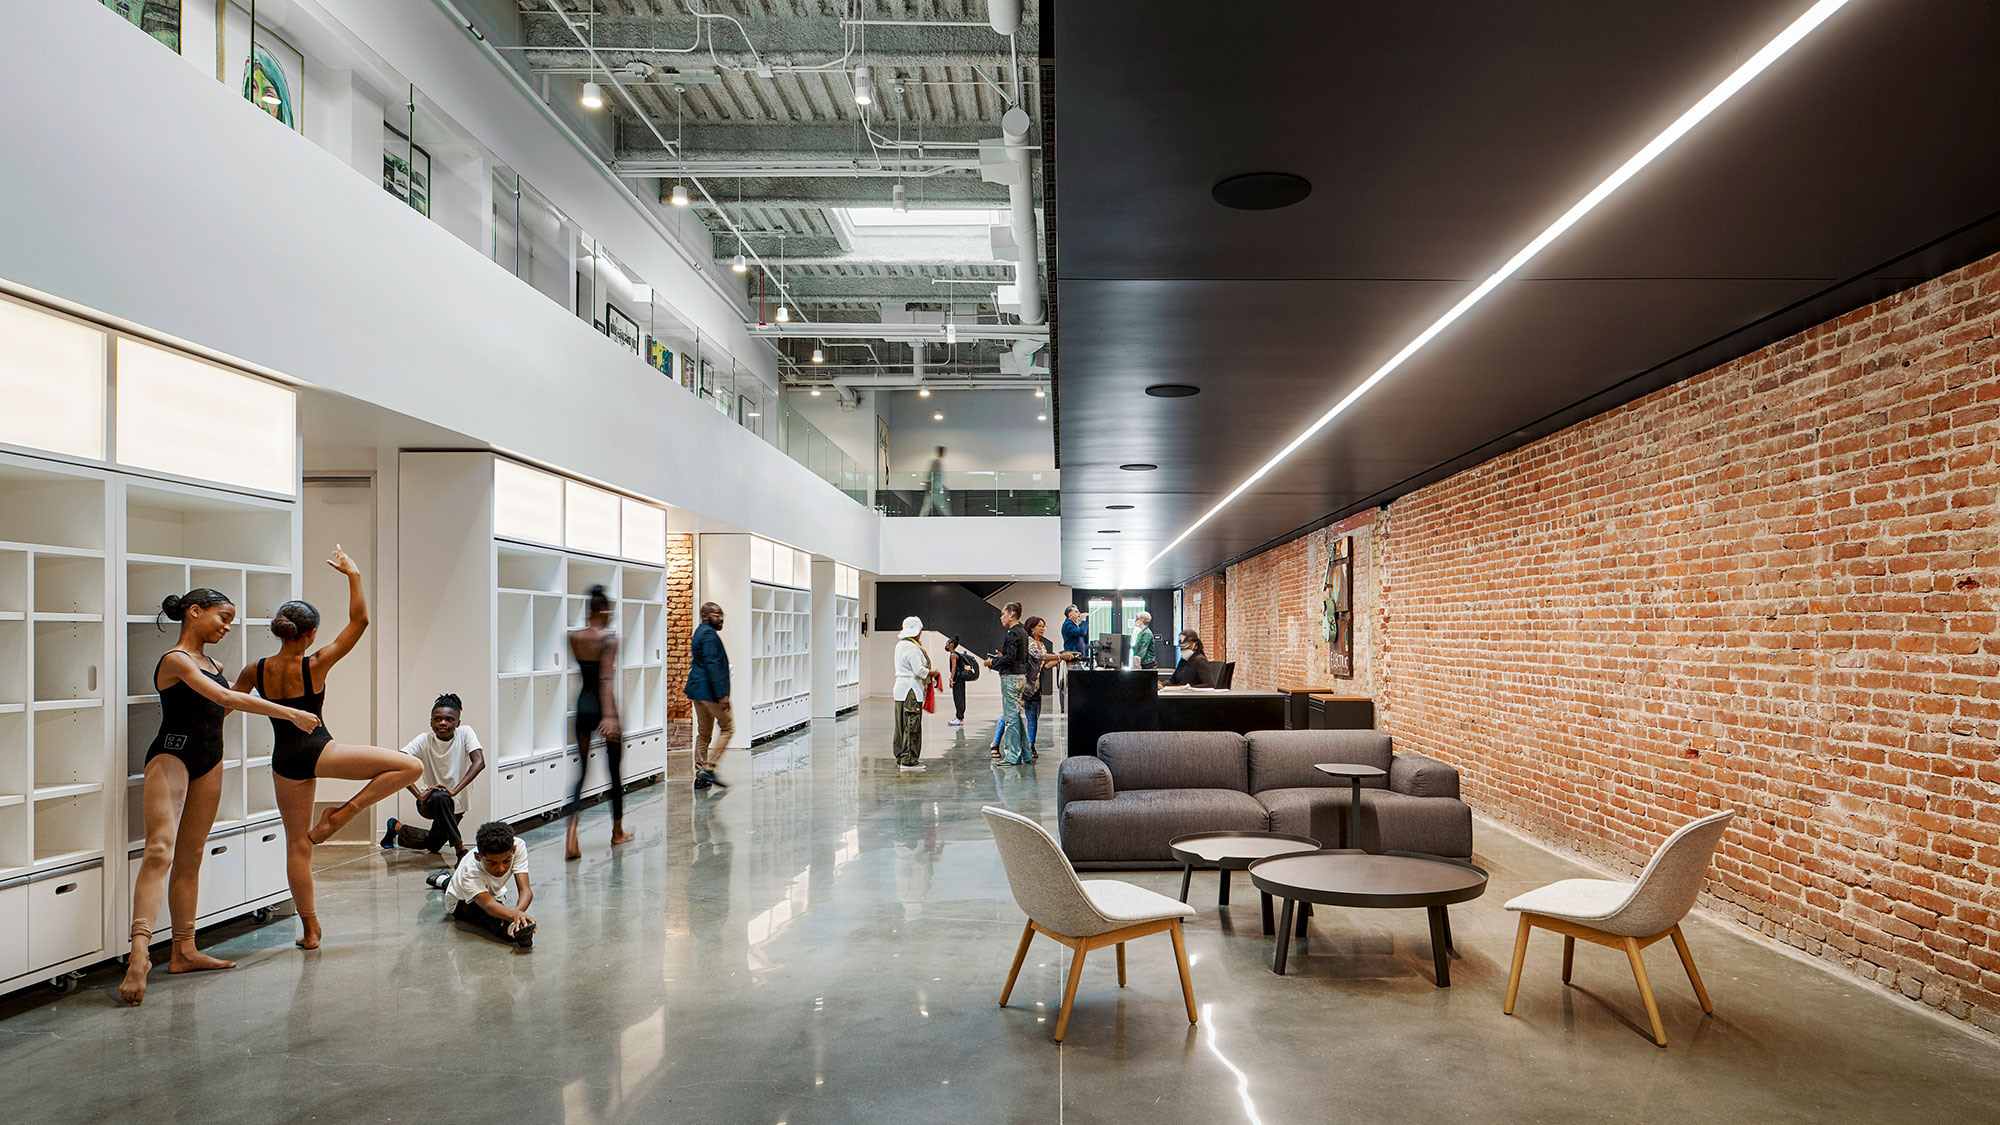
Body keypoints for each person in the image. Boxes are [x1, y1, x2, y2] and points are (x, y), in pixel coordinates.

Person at [121, 589, 321, 1005]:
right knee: (161, 850)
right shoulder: (175, 660)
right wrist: (291, 712)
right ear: (195, 612)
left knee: (192, 854)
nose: (227, 626)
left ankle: (183, 950)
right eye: (222, 617)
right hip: (171, 755)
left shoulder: (214, 664)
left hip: (209, 759)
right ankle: (138, 953)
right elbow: (226, 698)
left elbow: (219, 709)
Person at [238, 545, 424, 950]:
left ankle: (310, 929)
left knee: (297, 846)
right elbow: (361, 621)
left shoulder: (255, 670)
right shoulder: (316, 663)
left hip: (284, 760)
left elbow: (232, 702)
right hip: (320, 749)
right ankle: (342, 816)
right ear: (309, 634)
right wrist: (353, 574)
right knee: (410, 767)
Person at [565, 584, 631, 859]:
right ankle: (617, 833)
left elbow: (588, 675)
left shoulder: (573, 638)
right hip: (603, 706)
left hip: (582, 704)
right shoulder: (608, 640)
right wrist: (610, 716)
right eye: (609, 610)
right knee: (614, 771)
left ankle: (571, 833)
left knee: (581, 773)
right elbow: (605, 678)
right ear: (602, 611)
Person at [382, 693, 484, 862]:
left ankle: (395, 827)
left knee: (432, 845)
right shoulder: (424, 740)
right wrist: (419, 794)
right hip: (429, 802)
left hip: (456, 802)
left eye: (449, 719)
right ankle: (460, 850)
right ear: (431, 722)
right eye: (437, 719)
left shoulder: (465, 733)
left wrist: (454, 791)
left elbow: (479, 762)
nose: (443, 723)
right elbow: (396, 763)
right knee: (441, 796)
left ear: (458, 723)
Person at [429, 821, 535, 949]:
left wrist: (516, 914)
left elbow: (526, 891)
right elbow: (489, 905)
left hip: (481, 888)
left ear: (513, 850)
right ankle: (513, 931)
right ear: (478, 857)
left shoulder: (518, 846)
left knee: (501, 910)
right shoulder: (470, 872)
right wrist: (512, 919)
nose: (501, 869)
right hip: (460, 902)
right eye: (492, 864)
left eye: (506, 861)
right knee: (487, 914)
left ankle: (442, 879)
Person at [686, 601, 733, 791]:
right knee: (728, 728)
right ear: (705, 616)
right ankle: (709, 769)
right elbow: (713, 665)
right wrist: (722, 695)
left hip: (698, 691)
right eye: (716, 615)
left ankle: (700, 775)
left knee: (704, 733)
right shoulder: (708, 635)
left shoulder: (700, 632)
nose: (720, 618)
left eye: (722, 615)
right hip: (709, 692)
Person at [986, 602, 1031, 764]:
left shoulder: (1012, 634)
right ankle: (1026, 754)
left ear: (1011, 614)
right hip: (1021, 677)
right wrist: (1002, 657)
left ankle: (1012, 756)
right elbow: (1022, 657)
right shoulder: (1023, 632)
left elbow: (1010, 658)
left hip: (1010, 678)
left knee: (1011, 719)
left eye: (1003, 614)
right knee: (1016, 717)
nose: (1001, 617)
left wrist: (993, 663)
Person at [892, 616, 934, 771]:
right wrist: (932, 672)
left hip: (900, 690)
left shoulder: (900, 645)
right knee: (912, 724)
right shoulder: (912, 647)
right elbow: (918, 670)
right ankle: (909, 760)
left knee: (901, 725)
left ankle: (900, 756)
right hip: (911, 691)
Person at [946, 637, 979, 726]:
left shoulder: (953, 655)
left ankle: (959, 718)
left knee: (958, 698)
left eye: (948, 643)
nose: (946, 645)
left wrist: (951, 680)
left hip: (957, 679)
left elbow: (953, 669)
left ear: (951, 644)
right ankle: (959, 717)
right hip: (960, 679)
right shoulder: (956, 654)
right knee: (960, 697)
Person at [920, 445, 950, 516]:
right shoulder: (936, 462)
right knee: (929, 507)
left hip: (937, 487)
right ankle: (949, 520)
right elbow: (930, 473)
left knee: (930, 506)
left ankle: (949, 519)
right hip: (934, 488)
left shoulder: (939, 462)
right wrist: (928, 483)